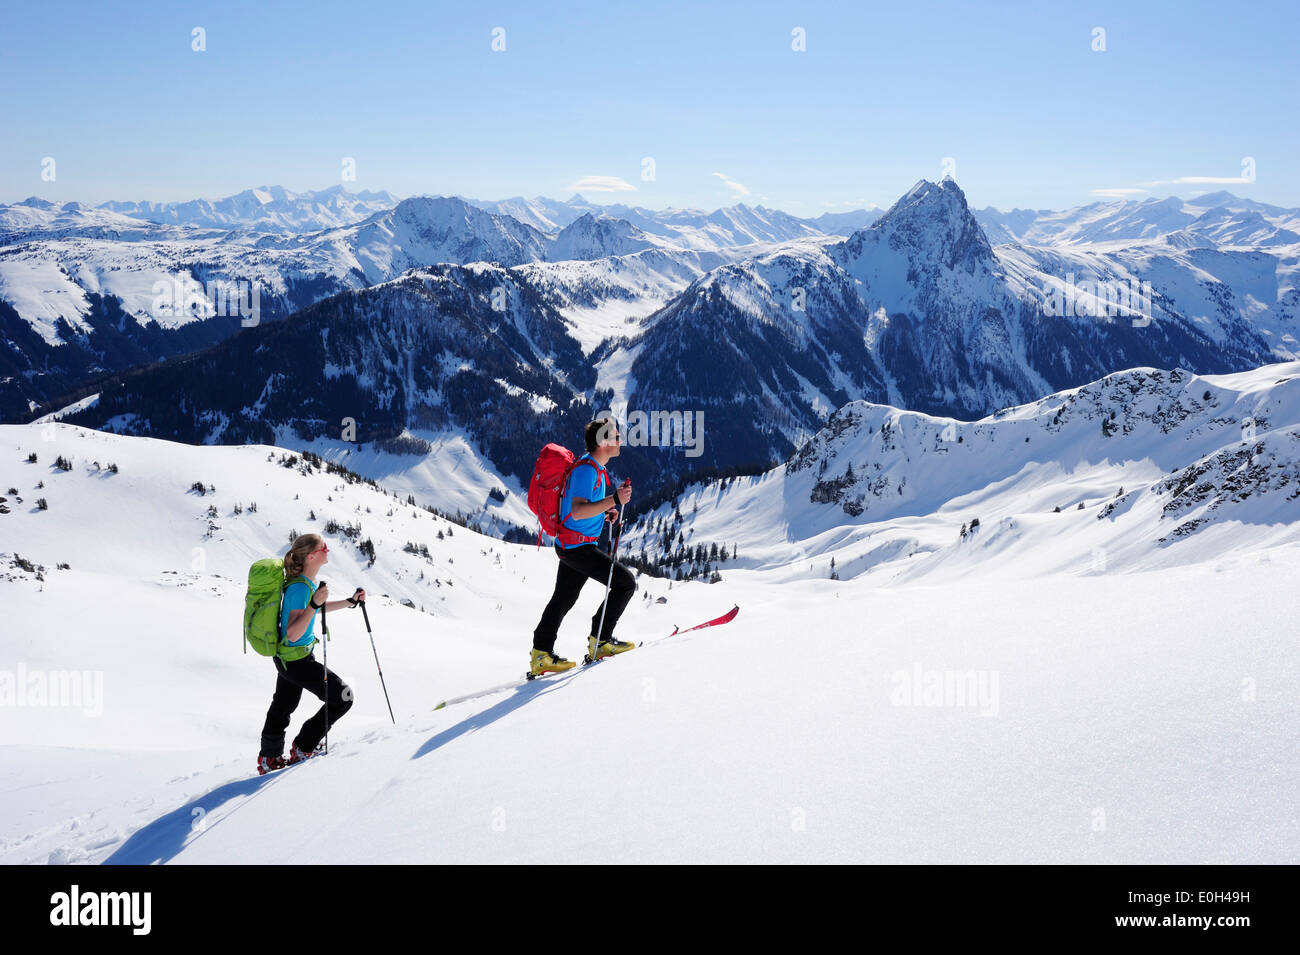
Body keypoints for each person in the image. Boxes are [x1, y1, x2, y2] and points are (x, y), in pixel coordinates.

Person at [531, 418, 637, 676]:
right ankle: (601, 641)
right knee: (625, 584)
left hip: (572, 546)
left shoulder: (594, 468)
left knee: (563, 599)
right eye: (616, 437)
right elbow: (578, 511)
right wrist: (614, 499)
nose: (620, 440)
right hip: (578, 549)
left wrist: (605, 513)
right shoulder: (587, 470)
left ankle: (541, 654)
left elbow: (583, 509)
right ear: (603, 443)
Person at [257, 533, 366, 774]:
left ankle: (269, 758)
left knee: (283, 706)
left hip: (288, 658)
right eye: (324, 547)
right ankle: (303, 747)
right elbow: (294, 632)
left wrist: (349, 601)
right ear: (311, 555)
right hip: (296, 660)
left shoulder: (304, 583)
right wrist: (314, 604)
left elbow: (312, 610)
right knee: (343, 697)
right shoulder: (298, 587)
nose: (328, 550)